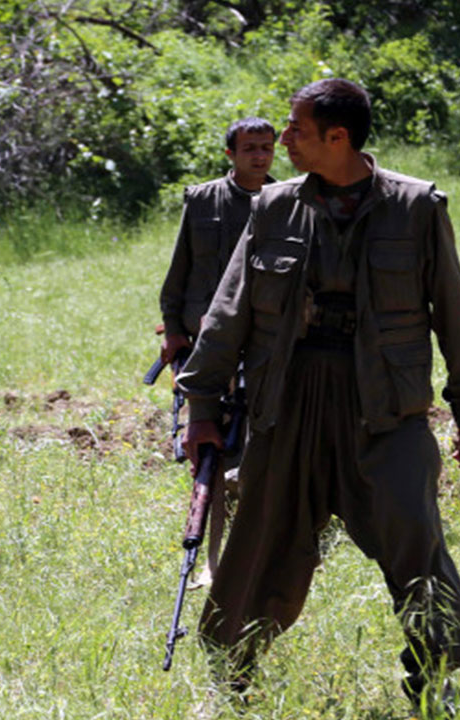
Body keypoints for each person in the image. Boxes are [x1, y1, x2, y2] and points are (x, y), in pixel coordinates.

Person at [177, 79, 460, 718]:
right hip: (287, 404)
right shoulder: (272, 210)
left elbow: (455, 313)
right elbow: (228, 313)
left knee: (413, 532)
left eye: (295, 130)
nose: (283, 141)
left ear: (337, 137)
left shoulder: (415, 208)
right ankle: (230, 675)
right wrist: (202, 409)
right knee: (264, 537)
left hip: (385, 406)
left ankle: (434, 679)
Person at [158, 118, 277, 588]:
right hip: (207, 345)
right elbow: (179, 269)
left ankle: (260, 544)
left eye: (266, 147)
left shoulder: (287, 200)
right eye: (249, 148)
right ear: (230, 154)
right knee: (207, 446)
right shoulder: (203, 200)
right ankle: (209, 554)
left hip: (263, 341)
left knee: (259, 447)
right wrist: (172, 329)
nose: (259, 156)